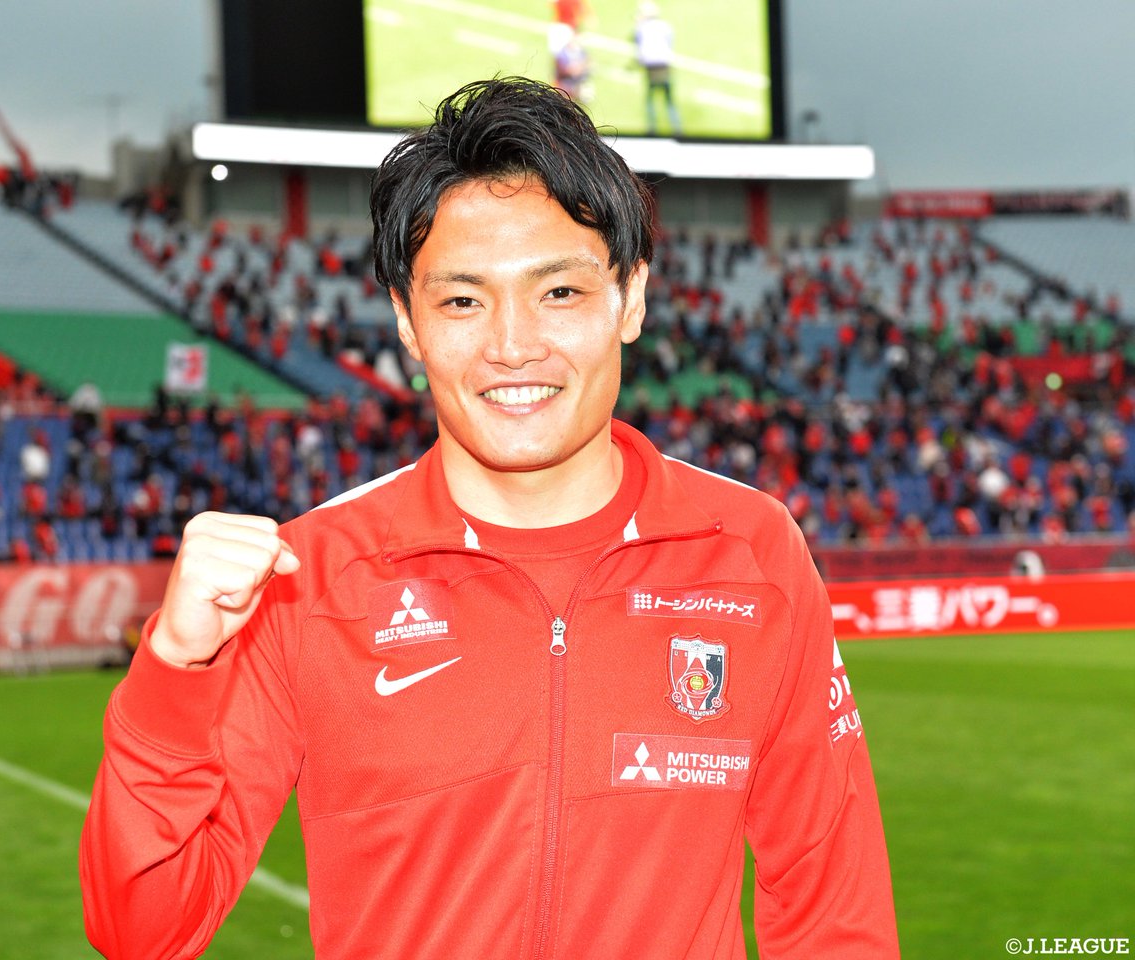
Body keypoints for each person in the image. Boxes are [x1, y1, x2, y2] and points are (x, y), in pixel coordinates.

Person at [80, 77, 898, 959]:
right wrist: (174, 668)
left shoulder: (750, 551)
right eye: (463, 301)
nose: (513, 346)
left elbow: (834, 914)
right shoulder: (308, 578)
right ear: (407, 322)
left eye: (560, 293)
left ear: (631, 297)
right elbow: (144, 930)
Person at [634, 1, 684, 136]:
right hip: (664, 64)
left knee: (651, 99)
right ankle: (677, 129)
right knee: (669, 99)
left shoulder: (641, 28)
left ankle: (652, 130)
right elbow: (669, 43)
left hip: (651, 66)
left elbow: (639, 46)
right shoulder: (664, 26)